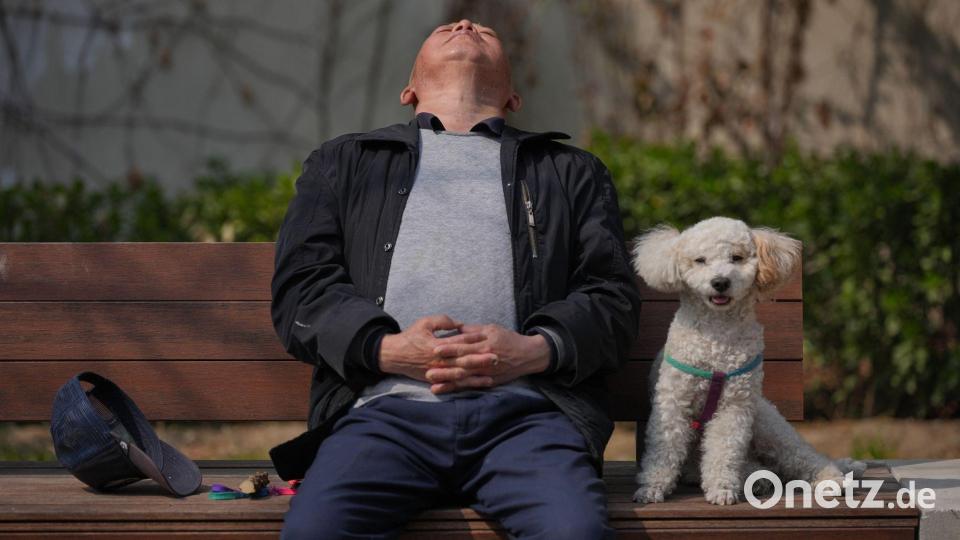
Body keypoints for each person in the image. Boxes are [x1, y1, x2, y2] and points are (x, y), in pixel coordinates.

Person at [270, 18, 641, 539]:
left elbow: (612, 298)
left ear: (514, 97)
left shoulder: (568, 170)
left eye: (485, 30)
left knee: (573, 532)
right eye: (448, 25)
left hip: (528, 418)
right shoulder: (346, 162)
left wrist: (533, 351)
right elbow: (301, 291)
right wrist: (389, 351)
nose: (466, 23)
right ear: (409, 90)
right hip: (384, 415)